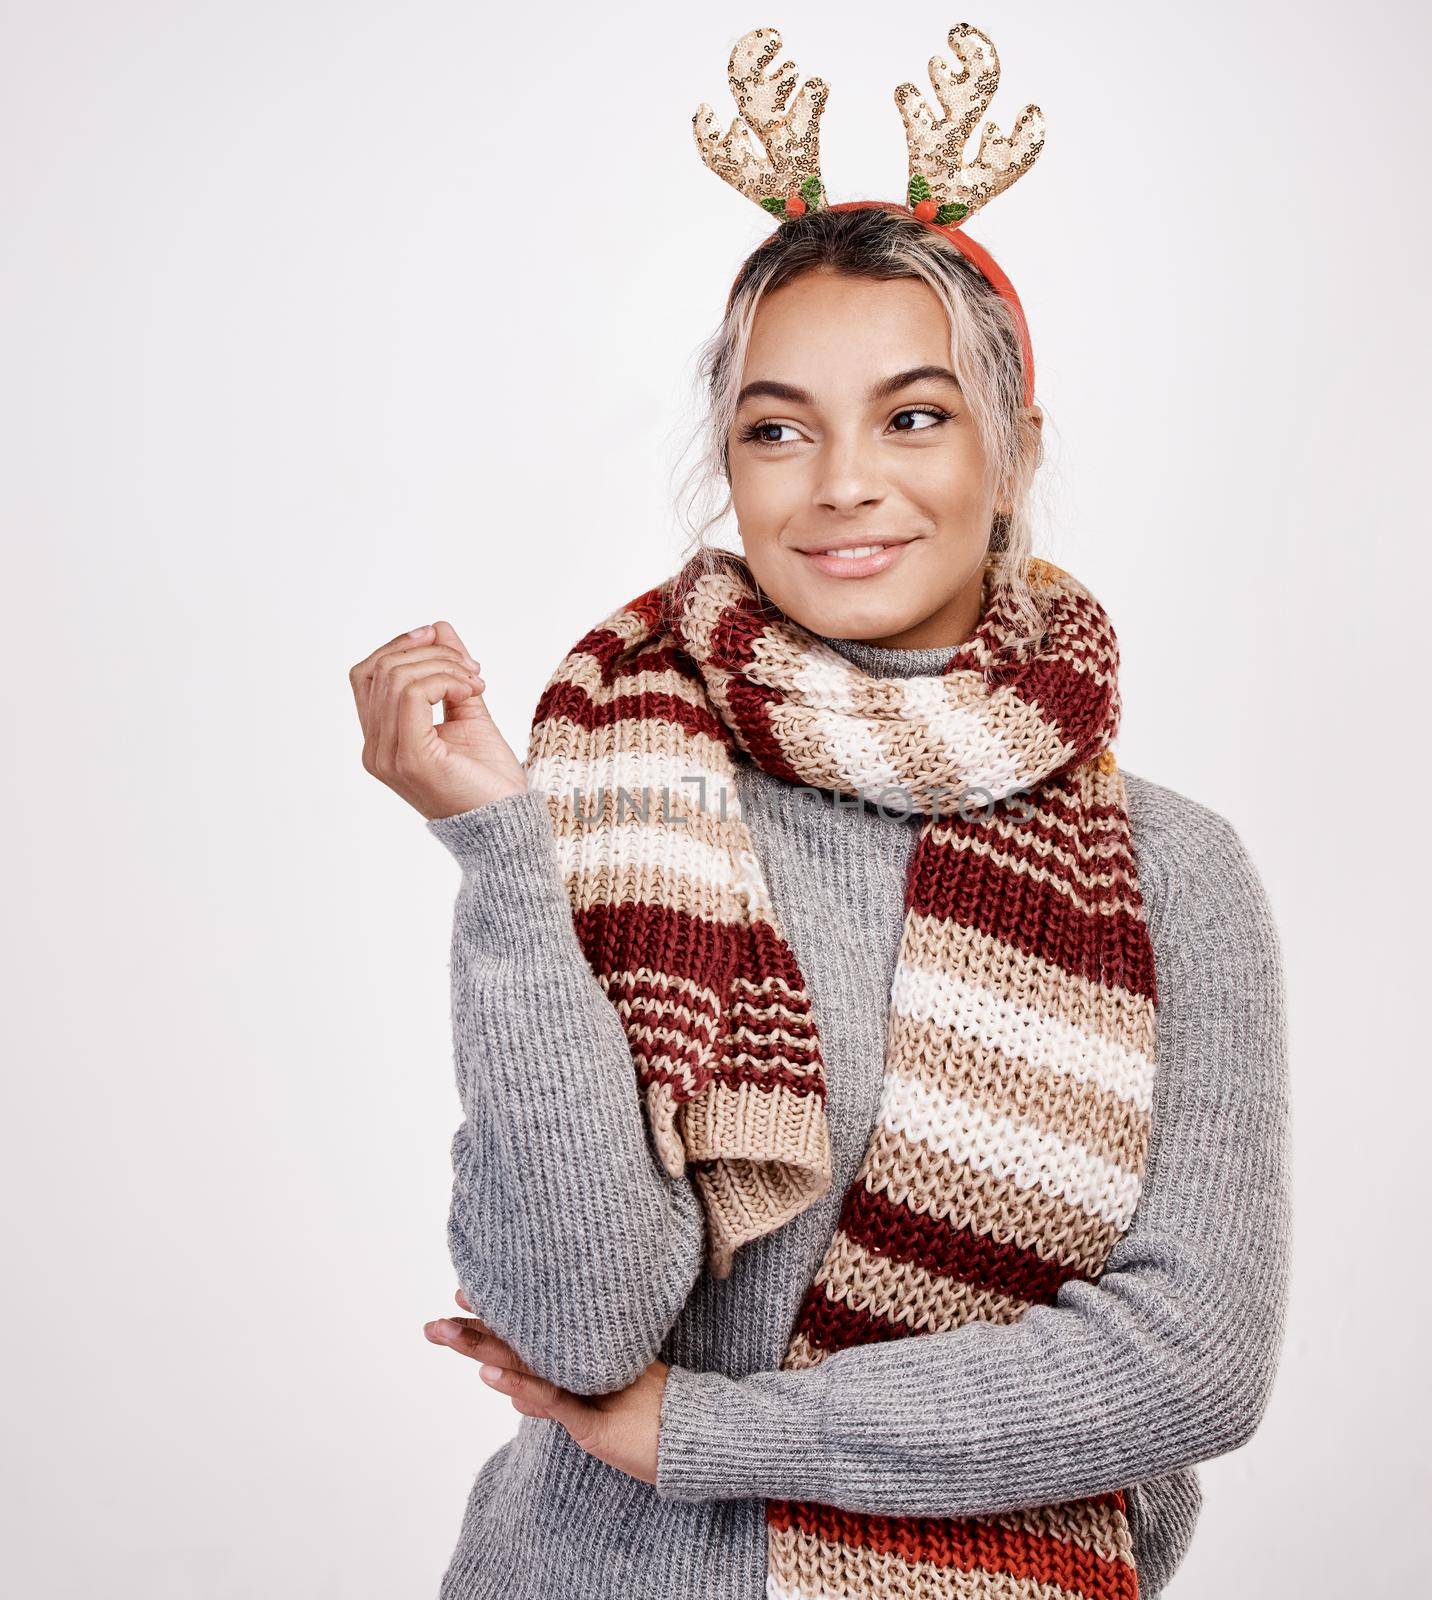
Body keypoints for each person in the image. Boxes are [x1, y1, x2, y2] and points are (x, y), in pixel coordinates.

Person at [349, 24, 1290, 1600]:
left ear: (1015, 456)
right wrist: (499, 852)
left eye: (914, 416)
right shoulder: (616, 787)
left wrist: (701, 1438)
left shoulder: (1172, 869)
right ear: (728, 465)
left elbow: (1190, 1363)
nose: (841, 480)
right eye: (779, 428)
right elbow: (579, 1321)